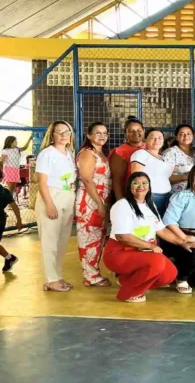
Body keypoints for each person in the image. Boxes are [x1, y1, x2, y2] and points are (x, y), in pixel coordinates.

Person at [103, 172, 191, 302]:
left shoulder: (150, 205)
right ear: (129, 186)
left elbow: (161, 230)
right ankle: (128, 294)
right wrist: (151, 246)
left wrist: (183, 242)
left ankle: (126, 281)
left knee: (169, 274)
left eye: (144, 183)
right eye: (136, 183)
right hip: (119, 253)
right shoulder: (122, 205)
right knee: (157, 262)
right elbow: (122, 236)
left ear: (149, 187)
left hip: (143, 253)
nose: (141, 186)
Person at [36, 120, 77, 292]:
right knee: (50, 240)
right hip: (52, 196)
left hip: (67, 195)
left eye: (66, 132)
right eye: (58, 132)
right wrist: (50, 204)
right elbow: (42, 182)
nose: (63, 135)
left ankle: (57, 276)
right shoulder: (47, 153)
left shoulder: (69, 153)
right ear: (52, 134)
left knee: (61, 241)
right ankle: (50, 279)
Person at [162, 164, 195, 293]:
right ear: (191, 177)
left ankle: (175, 266)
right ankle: (181, 277)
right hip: (185, 236)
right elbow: (168, 220)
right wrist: (185, 237)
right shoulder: (182, 196)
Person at [75, 122, 112, 287]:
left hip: (101, 199)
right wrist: (99, 203)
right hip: (90, 201)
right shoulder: (87, 153)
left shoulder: (102, 154)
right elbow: (87, 179)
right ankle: (90, 276)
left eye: (104, 133)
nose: (102, 136)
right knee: (89, 238)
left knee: (98, 237)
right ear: (89, 135)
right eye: (97, 133)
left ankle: (93, 273)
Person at [130, 129, 174, 215]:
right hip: (150, 196)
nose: (156, 140)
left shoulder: (163, 158)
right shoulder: (141, 154)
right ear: (145, 139)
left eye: (159, 138)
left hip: (166, 197)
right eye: (152, 137)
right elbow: (136, 177)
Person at [109, 116, 144, 202]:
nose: (136, 133)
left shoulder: (149, 147)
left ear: (144, 131)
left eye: (139, 130)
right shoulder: (120, 152)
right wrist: (120, 202)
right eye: (131, 131)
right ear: (125, 133)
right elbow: (117, 181)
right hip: (130, 195)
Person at [0, 168, 24, 273]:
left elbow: (14, 206)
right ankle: (9, 258)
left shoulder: (4, 192)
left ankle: (10, 258)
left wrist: (19, 220)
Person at [163, 124, 195, 195]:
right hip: (176, 196)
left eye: (188, 134)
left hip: (194, 195)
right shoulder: (170, 153)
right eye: (182, 134)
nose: (186, 136)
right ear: (177, 137)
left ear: (193, 136)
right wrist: (186, 176)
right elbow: (164, 177)